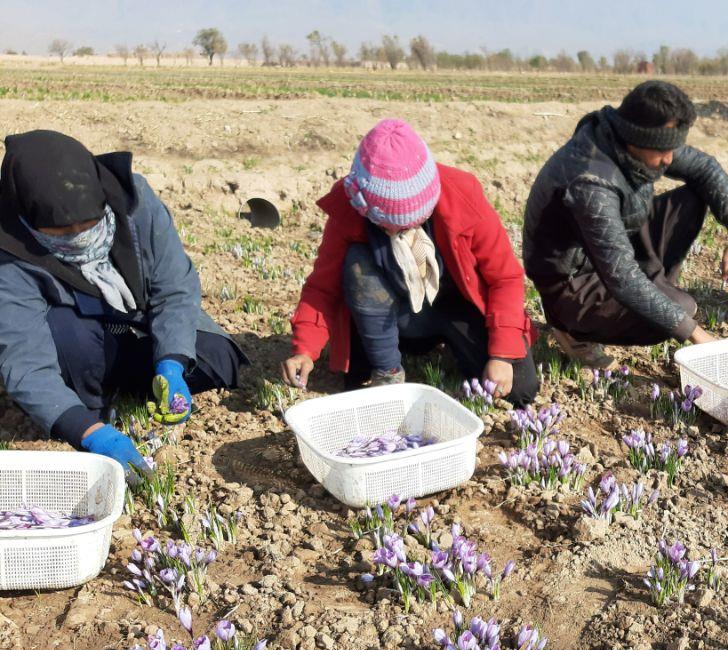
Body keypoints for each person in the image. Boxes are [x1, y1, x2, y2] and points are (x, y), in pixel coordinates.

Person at [0, 130, 244, 476]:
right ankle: (89, 407)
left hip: (135, 321)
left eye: (90, 224)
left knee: (217, 358)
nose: (81, 237)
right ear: (28, 217)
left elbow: (174, 287)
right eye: (63, 233)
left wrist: (172, 363)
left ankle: (134, 381)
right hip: (76, 338)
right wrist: (89, 434)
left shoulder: (134, 201)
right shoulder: (9, 250)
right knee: (69, 342)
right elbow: (25, 362)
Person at [283, 118, 538, 405]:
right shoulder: (350, 207)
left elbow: (504, 278)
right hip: (390, 315)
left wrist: (501, 354)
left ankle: (455, 348)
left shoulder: (461, 196)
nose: (395, 232)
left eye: (405, 225)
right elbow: (322, 288)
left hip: (456, 308)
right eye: (384, 224)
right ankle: (387, 369)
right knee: (358, 263)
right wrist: (304, 348)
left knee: (520, 389)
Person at [522, 80, 728, 369]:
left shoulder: (636, 140)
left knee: (693, 196)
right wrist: (697, 335)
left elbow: (705, 167)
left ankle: (656, 292)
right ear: (636, 138)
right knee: (681, 312)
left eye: (672, 148)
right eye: (662, 151)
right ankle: (570, 327)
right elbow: (622, 277)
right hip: (573, 279)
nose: (669, 159)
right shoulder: (591, 181)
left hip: (611, 243)